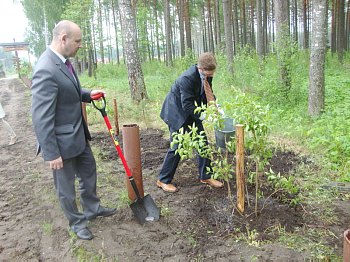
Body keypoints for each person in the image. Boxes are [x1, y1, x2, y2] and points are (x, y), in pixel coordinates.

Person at [31, 20, 116, 241]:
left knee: (89, 173)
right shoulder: (45, 68)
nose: (80, 45)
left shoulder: (62, 62)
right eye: (77, 41)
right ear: (63, 38)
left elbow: (67, 91)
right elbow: (41, 117)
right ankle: (77, 223)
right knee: (65, 187)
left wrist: (88, 94)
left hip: (78, 135)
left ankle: (93, 208)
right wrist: (51, 153)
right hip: (61, 143)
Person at [157, 52, 224, 193]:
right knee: (177, 146)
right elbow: (187, 105)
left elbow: (207, 92)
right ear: (201, 69)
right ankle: (163, 180)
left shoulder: (207, 75)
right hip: (176, 113)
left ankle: (205, 176)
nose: (211, 76)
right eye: (209, 74)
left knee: (202, 142)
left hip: (191, 111)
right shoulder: (187, 78)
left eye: (212, 74)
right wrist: (205, 116)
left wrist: (215, 107)